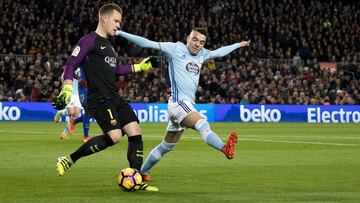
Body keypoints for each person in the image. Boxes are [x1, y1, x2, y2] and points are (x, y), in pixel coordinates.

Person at [116, 28, 250, 181]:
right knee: (202, 123)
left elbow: (219, 52)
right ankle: (223, 148)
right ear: (188, 38)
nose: (197, 44)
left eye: (201, 42)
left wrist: (239, 45)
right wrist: (121, 33)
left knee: (166, 146)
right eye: (195, 39)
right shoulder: (175, 48)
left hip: (182, 105)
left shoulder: (203, 53)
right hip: (179, 104)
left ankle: (141, 172)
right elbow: (147, 43)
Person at [55, 3, 158, 191]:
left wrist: (139, 67)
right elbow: (71, 63)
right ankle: (69, 159)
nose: (118, 25)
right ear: (105, 18)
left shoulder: (110, 47)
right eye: (116, 21)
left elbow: (116, 69)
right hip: (99, 98)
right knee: (116, 136)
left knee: (135, 131)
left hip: (115, 97)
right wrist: (68, 87)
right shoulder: (89, 40)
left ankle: (136, 177)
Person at [54, 68, 84, 141]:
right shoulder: (72, 65)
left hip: (77, 94)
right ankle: (60, 113)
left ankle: (64, 134)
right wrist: (64, 87)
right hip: (70, 92)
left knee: (76, 114)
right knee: (71, 113)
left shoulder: (83, 68)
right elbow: (63, 76)